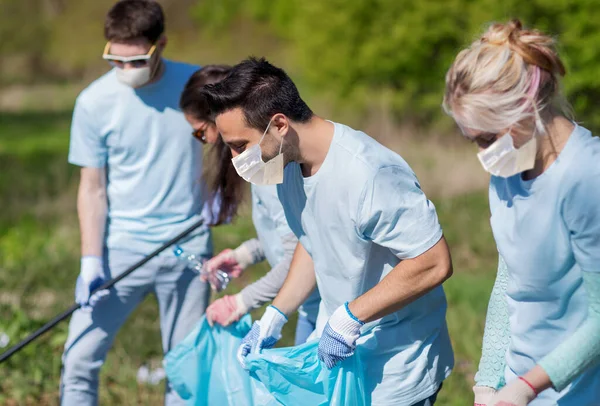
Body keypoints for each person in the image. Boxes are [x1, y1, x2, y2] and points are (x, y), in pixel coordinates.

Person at [200, 57, 455, 405]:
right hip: (339, 358)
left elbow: (433, 262)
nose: (233, 158)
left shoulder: (369, 172)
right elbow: (313, 241)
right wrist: (276, 314)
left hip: (397, 367)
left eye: (240, 145)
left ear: (279, 125)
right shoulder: (288, 168)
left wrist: (352, 316)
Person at [60, 1, 215, 405]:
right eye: (115, 60)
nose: (126, 70)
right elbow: (91, 187)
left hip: (187, 247)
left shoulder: (197, 87)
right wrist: (90, 260)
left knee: (185, 372)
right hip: (119, 251)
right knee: (77, 359)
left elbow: (232, 146)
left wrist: (219, 197)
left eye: (137, 61)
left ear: (160, 43)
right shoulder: (93, 103)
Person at [443, 19, 600, 406]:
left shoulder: (585, 178)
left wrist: (529, 385)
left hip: (575, 392)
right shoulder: (508, 171)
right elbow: (508, 281)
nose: (482, 153)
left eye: (486, 137)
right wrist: (488, 381)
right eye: (473, 140)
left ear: (526, 109)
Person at [180, 66, 321, 345]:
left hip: (319, 305)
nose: (205, 143)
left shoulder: (268, 167)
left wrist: (240, 302)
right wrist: (244, 255)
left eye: (200, 134)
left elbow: (300, 257)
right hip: (310, 305)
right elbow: (293, 234)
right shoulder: (260, 165)